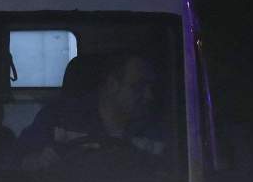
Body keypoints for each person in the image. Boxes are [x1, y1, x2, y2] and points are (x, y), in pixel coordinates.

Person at [17, 54, 164, 171]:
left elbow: (167, 175)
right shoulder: (59, 117)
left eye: (151, 87)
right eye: (138, 87)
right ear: (112, 85)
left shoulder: (157, 129)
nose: (149, 95)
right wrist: (37, 161)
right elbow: (15, 161)